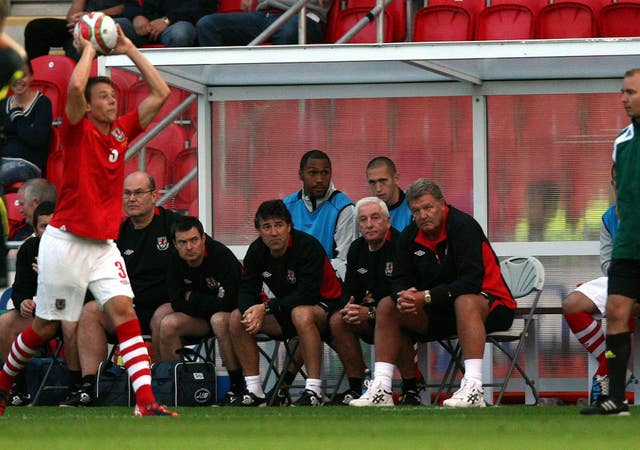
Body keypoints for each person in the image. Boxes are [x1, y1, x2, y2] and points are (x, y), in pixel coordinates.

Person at [0, 23, 177, 417]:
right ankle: (2, 385)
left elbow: (161, 92)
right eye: (104, 96)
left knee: (123, 313)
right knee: (46, 326)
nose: (112, 101)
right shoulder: (77, 130)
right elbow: (75, 90)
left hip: (102, 244)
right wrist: (88, 50)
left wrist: (129, 47)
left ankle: (146, 401)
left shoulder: (120, 131)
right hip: (65, 241)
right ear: (90, 105)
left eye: (114, 95)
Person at [350, 178, 515, 408]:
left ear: (442, 204)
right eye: (416, 211)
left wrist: (426, 297)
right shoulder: (409, 235)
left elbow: (471, 282)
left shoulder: (463, 226)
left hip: (492, 306)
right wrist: (403, 296)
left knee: (465, 301)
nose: (423, 215)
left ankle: (474, 387)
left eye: (428, 207)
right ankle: (382, 388)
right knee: (388, 305)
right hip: (441, 310)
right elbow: (398, 279)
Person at [59, 171, 180, 407]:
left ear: (154, 196)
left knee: (162, 318)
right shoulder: (115, 233)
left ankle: (166, 387)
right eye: (127, 193)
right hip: (126, 307)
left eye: (138, 193)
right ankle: (90, 386)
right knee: (90, 312)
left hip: (165, 305)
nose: (132, 199)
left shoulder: (172, 225)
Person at [230, 199, 342, 406]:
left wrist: (265, 307)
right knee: (238, 317)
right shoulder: (256, 251)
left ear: (289, 227)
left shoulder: (307, 247)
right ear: (259, 230)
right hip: (288, 310)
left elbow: (307, 294)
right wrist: (250, 312)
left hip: (327, 309)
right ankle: (255, 391)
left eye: (279, 225)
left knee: (301, 314)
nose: (274, 232)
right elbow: (246, 289)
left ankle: (314, 391)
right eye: (267, 227)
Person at [581, 68, 640, 416]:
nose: (624, 98)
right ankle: (616, 398)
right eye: (622, 92)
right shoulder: (621, 142)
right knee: (616, 313)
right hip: (629, 246)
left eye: (631, 92)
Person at [328, 197, 418, 406]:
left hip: (403, 312)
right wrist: (349, 306)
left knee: (394, 317)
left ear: (387, 221)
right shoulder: (357, 249)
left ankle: (411, 388)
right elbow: (350, 290)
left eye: (375, 218)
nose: (369, 224)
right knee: (337, 320)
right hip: (372, 313)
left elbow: (402, 292)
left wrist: (369, 311)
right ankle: (356, 386)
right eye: (363, 220)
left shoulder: (401, 245)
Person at [153, 215, 245, 404]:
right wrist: (206, 301)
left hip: (229, 317)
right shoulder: (174, 260)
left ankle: (237, 387)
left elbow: (229, 302)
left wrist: (193, 298)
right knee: (164, 320)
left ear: (203, 238)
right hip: (198, 318)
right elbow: (176, 301)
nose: (189, 247)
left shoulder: (221, 256)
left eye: (194, 240)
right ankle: (174, 387)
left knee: (218, 319)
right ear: (175, 244)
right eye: (183, 242)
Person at [0, 202, 83, 406]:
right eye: (44, 226)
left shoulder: (77, 249)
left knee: (70, 322)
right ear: (35, 229)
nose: (49, 232)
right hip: (39, 314)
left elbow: (86, 292)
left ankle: (76, 388)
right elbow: (19, 288)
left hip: (68, 310)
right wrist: (23, 302)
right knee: (4, 323)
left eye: (54, 226)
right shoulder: (29, 248)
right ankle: (17, 389)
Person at [283, 149, 356, 278]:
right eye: (313, 173)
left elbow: (344, 260)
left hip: (329, 282)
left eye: (325, 173)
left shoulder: (344, 208)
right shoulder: (286, 206)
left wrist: (307, 274)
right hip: (291, 279)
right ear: (300, 174)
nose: (320, 179)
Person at [0, 60, 53, 187]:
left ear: (31, 77)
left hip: (28, 164)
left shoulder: (42, 103)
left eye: (23, 75)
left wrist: (18, 116)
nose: (18, 80)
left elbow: (36, 140)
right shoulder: (3, 104)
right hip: (3, 160)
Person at [196, 0, 332, 46]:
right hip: (264, 15)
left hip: (302, 14)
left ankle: (281, 98)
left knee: (289, 32)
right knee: (208, 25)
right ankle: (222, 90)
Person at [23, 1, 124, 61]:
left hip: (113, 23)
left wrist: (92, 16)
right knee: (36, 28)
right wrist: (75, 20)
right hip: (85, 22)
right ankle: (37, 78)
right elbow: (72, 15)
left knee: (74, 44)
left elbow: (127, 7)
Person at [115, 0, 216, 48]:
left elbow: (205, 7)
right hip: (144, 24)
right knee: (111, 27)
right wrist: (136, 16)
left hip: (177, 22)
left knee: (181, 34)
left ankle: (175, 82)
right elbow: (129, 3)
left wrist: (168, 20)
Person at [366, 156, 412, 231]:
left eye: (383, 180)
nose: (378, 189)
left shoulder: (413, 208)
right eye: (372, 182)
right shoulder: (365, 212)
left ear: (396, 179)